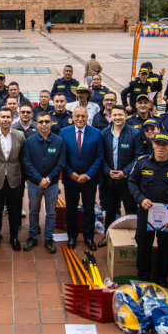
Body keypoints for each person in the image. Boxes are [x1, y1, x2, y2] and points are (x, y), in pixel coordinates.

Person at [128, 132, 168, 287]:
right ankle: (143, 278)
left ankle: (162, 278)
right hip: (146, 212)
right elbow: (132, 182)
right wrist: (140, 199)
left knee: (166, 248)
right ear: (152, 144)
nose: (161, 147)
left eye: (164, 145)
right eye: (158, 144)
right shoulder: (142, 163)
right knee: (144, 246)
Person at [61, 107, 104, 251]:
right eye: (77, 116)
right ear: (73, 117)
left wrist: (88, 174)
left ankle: (88, 236)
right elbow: (62, 157)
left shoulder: (96, 133)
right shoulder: (64, 132)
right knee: (71, 208)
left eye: (83, 116)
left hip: (89, 180)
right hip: (71, 178)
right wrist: (70, 173)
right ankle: (72, 236)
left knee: (89, 208)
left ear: (87, 117)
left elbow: (99, 157)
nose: (80, 119)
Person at [98, 105, 142, 246]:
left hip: (128, 180)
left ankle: (135, 237)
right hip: (109, 179)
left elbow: (138, 157)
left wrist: (125, 172)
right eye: (115, 115)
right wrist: (107, 170)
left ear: (126, 116)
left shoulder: (135, 134)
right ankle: (107, 236)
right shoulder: (104, 133)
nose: (117, 118)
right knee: (110, 210)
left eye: (120, 115)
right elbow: (101, 156)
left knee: (131, 209)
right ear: (110, 116)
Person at [23, 111, 65, 253]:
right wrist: (39, 179)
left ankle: (48, 238)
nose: (44, 124)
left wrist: (48, 179)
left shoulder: (59, 141)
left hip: (52, 184)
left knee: (51, 213)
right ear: (36, 123)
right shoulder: (30, 141)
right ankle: (33, 237)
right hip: (34, 184)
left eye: (47, 121)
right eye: (41, 122)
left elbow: (61, 163)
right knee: (34, 211)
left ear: (51, 123)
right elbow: (27, 163)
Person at [0, 108, 26, 251]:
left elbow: (22, 158)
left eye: (8, 117)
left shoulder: (20, 136)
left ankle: (14, 237)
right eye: (3, 117)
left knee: (14, 210)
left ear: (12, 118)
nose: (6, 120)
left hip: (14, 178)